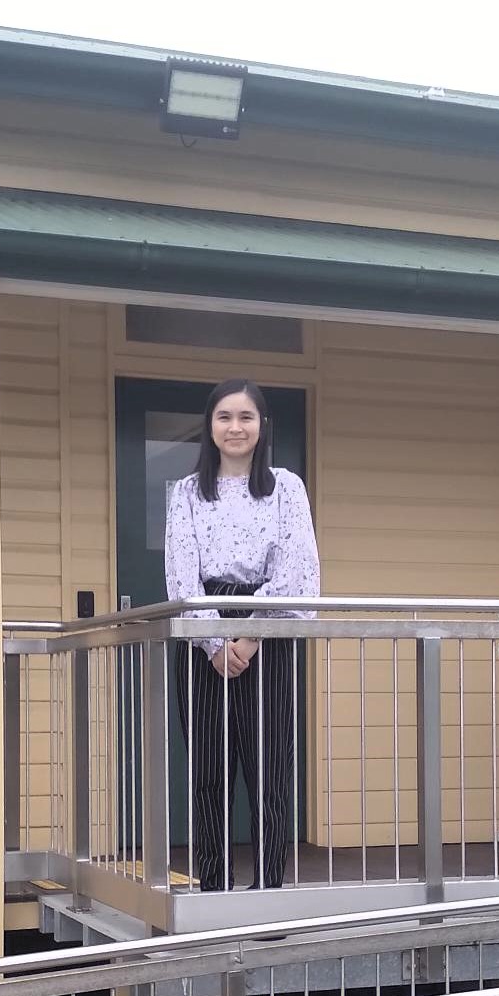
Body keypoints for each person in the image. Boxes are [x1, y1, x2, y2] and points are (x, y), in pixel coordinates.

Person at [163, 378, 319, 891]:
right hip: (203, 632)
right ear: (209, 427)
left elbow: (297, 569)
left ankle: (269, 887)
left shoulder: (286, 487)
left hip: (268, 634)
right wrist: (213, 643)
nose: (235, 427)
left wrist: (250, 635)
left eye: (246, 417)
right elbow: (181, 576)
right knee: (209, 772)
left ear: (261, 426)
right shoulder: (186, 492)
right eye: (225, 417)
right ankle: (214, 886)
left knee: (269, 768)